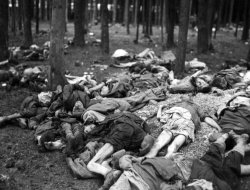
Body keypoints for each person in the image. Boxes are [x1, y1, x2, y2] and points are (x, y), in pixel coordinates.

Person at [144, 96, 220, 158]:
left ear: (191, 99)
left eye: (186, 95)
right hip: (172, 122)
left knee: (173, 147)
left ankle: (168, 156)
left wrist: (218, 127)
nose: (183, 96)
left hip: (187, 123)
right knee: (157, 145)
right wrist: (160, 107)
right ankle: (148, 157)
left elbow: (206, 118)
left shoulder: (195, 106)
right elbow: (160, 116)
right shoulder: (175, 104)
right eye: (182, 96)